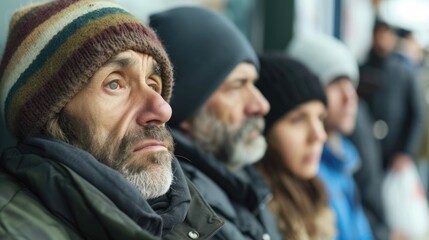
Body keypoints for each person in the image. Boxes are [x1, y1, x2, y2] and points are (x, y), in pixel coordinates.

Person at [0, 1, 224, 239]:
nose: (162, 109)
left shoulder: (188, 218)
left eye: (153, 84)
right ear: (50, 116)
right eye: (115, 84)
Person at [150, 6, 282, 240]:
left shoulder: (241, 180)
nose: (261, 105)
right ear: (188, 109)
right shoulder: (177, 211)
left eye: (254, 83)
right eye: (238, 85)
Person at [288, 32, 374, 240]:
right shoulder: (306, 167)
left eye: (351, 84)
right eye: (336, 84)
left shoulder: (344, 158)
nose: (349, 97)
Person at [255, 53, 336, 240]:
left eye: (320, 118)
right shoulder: (258, 212)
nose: (319, 135)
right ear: (263, 131)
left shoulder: (315, 194)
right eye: (298, 119)